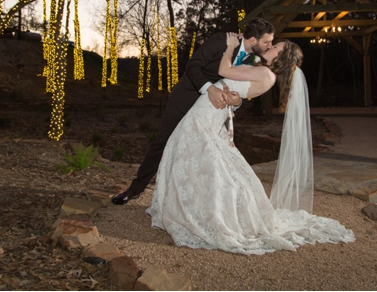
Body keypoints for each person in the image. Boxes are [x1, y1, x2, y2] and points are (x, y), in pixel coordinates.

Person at [146, 33, 355, 254]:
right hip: (212, 112)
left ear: (280, 57)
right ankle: (196, 208)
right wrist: (235, 100)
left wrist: (230, 47)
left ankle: (199, 212)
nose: (271, 47)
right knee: (203, 160)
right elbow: (239, 98)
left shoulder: (265, 73)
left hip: (206, 114)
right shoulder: (266, 76)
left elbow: (224, 71)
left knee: (194, 155)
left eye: (276, 47)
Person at [111, 18, 276, 205]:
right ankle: (134, 190)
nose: (269, 46)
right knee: (162, 143)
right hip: (186, 99)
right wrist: (209, 89)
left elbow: (243, 89)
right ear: (253, 40)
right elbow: (193, 65)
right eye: (267, 42)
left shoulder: (255, 59)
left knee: (203, 154)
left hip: (212, 112)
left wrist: (237, 102)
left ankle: (193, 203)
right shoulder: (222, 41)